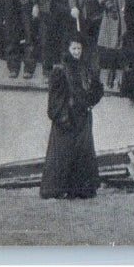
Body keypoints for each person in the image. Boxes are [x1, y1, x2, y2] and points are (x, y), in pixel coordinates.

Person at [39, 38, 104, 199]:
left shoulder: (85, 68)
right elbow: (54, 99)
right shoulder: (60, 70)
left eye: (79, 49)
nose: (77, 52)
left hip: (82, 120)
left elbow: (92, 92)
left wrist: (93, 95)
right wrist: (62, 117)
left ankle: (80, 190)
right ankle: (56, 190)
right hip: (66, 120)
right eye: (74, 48)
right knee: (62, 156)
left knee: (82, 155)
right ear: (68, 49)